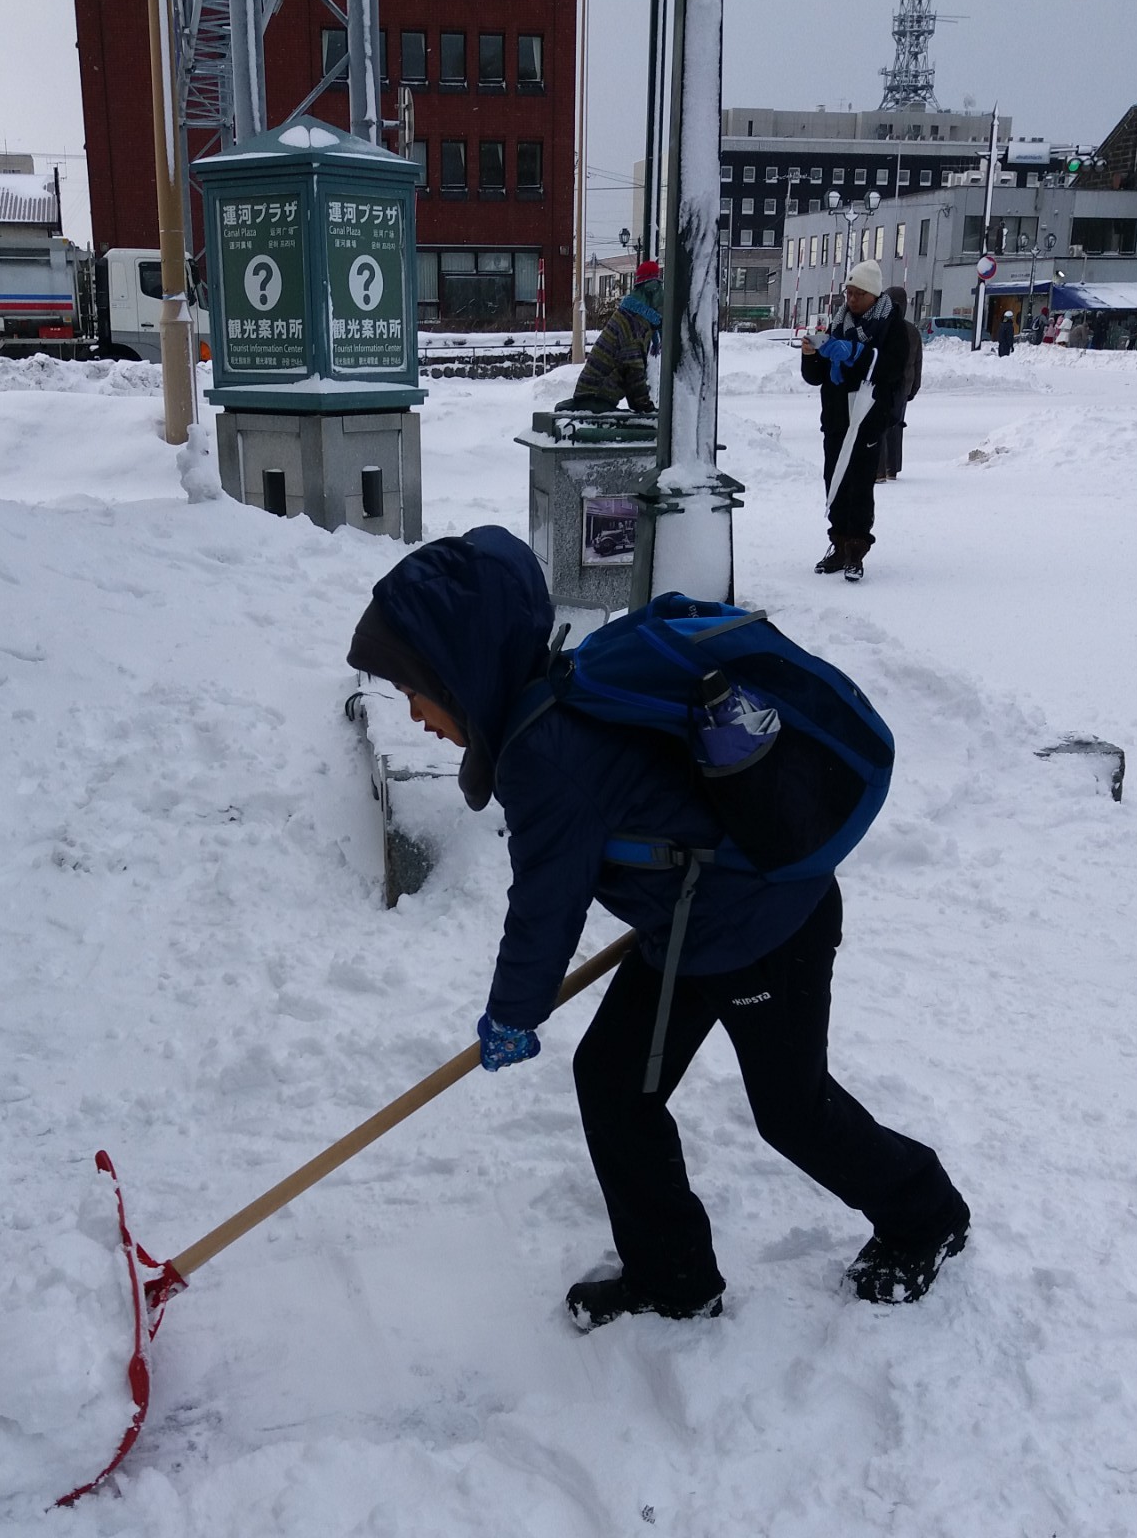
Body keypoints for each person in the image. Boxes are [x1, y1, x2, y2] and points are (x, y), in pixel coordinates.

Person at [347, 526, 971, 1328]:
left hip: (762, 930)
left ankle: (927, 1215)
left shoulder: (547, 757)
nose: (416, 715)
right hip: (692, 928)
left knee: (792, 1110)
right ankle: (673, 1277)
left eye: (415, 690)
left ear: (459, 673)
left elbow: (546, 906)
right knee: (613, 1082)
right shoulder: (550, 703)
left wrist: (513, 1012)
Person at [799, 259, 909, 582]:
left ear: (873, 294)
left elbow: (891, 368)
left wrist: (855, 354)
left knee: (860, 483)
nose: (851, 299)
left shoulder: (891, 326)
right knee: (834, 479)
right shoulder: (837, 323)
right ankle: (838, 542)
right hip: (835, 417)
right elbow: (817, 376)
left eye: (858, 293)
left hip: (867, 417)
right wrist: (811, 356)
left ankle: (856, 550)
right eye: (848, 292)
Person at [569, 259, 663, 413]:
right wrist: (645, 408)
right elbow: (633, 371)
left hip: (595, 397)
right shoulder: (631, 323)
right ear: (650, 290)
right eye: (659, 289)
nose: (662, 296)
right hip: (594, 398)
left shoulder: (631, 315)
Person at [875, 284, 923, 484]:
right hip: (904, 387)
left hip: (885, 384)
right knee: (896, 426)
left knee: (878, 427)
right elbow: (918, 362)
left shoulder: (883, 326)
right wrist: (914, 388)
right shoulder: (912, 330)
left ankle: (878, 471)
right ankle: (892, 468)